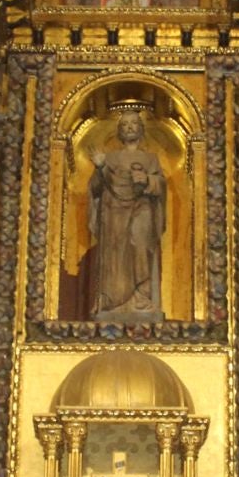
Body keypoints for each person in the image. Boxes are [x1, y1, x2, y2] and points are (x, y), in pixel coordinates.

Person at [88, 113, 166, 322]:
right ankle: (114, 301)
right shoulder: (110, 158)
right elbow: (96, 189)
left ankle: (141, 297)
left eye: (134, 124)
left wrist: (148, 179)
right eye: (125, 124)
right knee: (116, 253)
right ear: (119, 131)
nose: (130, 127)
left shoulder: (151, 159)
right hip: (113, 213)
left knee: (140, 244)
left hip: (141, 209)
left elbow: (161, 186)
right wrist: (99, 168)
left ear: (141, 129)